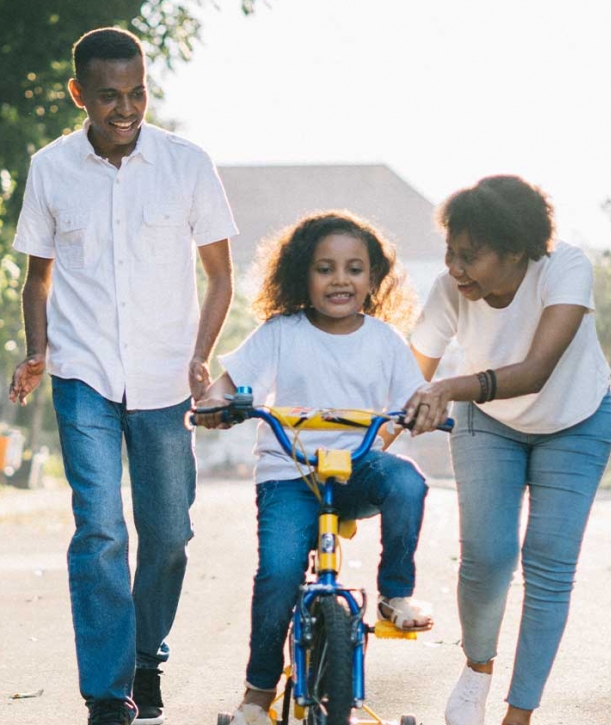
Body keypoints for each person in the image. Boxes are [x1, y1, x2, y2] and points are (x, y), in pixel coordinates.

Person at [7, 27, 237, 725]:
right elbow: (35, 279)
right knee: (100, 529)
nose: (126, 108)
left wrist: (203, 353)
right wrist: (37, 349)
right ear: (80, 94)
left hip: (166, 377)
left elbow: (222, 277)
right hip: (82, 372)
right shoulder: (51, 168)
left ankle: (145, 655)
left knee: (168, 534)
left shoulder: (186, 163)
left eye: (136, 93)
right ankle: (108, 692)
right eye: (109, 97)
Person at [194, 211, 436, 725]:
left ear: (373, 279)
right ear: (303, 274)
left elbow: (409, 403)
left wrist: (418, 414)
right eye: (325, 268)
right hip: (290, 473)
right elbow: (228, 383)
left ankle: (395, 593)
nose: (340, 280)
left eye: (354, 268)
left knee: (407, 480)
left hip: (358, 468)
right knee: (279, 573)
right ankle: (258, 695)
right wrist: (216, 404)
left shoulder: (386, 340)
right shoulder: (281, 332)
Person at [406, 175, 611, 725]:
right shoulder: (450, 289)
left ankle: (519, 714)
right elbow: (409, 376)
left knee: (548, 561)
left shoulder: (566, 268)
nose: (454, 268)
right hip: (487, 422)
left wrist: (447, 389)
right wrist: (366, 440)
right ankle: (477, 669)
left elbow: (536, 371)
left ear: (517, 249)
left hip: (575, 420)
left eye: (470, 256)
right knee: (488, 553)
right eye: (450, 252)